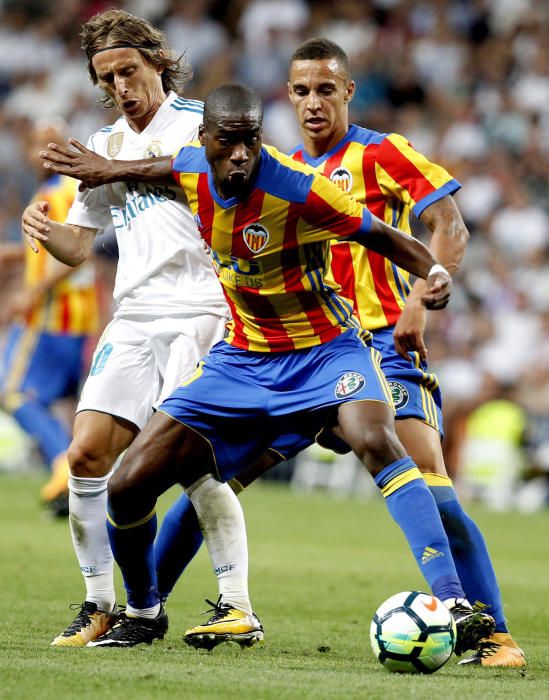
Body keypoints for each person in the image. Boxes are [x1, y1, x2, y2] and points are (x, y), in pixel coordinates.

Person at [39, 83, 494, 651]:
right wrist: (106, 169)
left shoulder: (301, 189)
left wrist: (435, 275)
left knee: (379, 442)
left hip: (324, 351)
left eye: (249, 142)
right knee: (130, 485)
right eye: (226, 143)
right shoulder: (189, 169)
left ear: (260, 139)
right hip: (244, 357)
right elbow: (159, 167)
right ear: (204, 142)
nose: (239, 156)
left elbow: (384, 236)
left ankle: (452, 602)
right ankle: (145, 610)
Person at [155, 38, 525, 667]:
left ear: (349, 92)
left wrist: (416, 300)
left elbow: (450, 227)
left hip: (381, 345)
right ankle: (142, 609)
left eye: (326, 89)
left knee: (428, 480)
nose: (313, 102)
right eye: (300, 91)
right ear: (287, 98)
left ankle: (489, 632)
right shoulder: (277, 172)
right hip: (300, 356)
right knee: (209, 481)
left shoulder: (381, 154)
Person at [21, 9, 230, 647]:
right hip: (134, 315)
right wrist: (44, 230)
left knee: (193, 466)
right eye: (108, 78)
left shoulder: (203, 122)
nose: (120, 86)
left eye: (129, 70)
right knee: (86, 454)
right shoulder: (106, 142)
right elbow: (80, 247)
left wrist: (108, 170)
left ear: (157, 61)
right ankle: (99, 603)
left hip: (203, 309)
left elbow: (206, 177)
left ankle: (234, 602)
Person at [0, 118, 98, 517]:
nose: (39, 154)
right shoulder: (71, 190)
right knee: (66, 401)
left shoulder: (57, 192)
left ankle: (63, 464)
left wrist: (31, 290)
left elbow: (76, 252)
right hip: (77, 318)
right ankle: (81, 489)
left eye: (49, 145)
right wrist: (18, 255)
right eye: (36, 146)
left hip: (50, 316)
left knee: (14, 392)